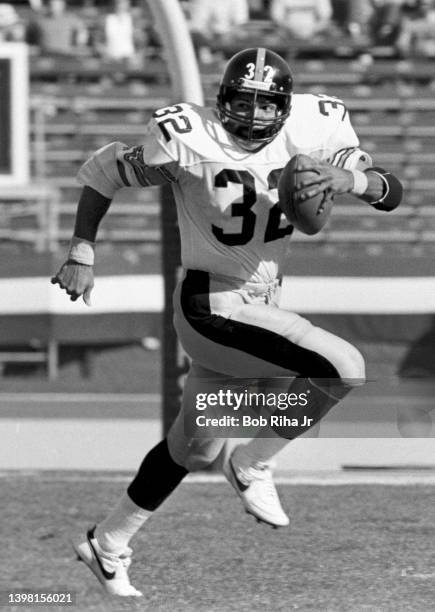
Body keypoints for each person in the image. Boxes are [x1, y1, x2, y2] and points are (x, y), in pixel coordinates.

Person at [52, 47, 403, 597]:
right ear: (223, 98)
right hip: (209, 303)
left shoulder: (319, 124)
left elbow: (389, 192)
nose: (256, 115)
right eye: (245, 101)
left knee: (194, 449)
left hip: (260, 302)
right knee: (343, 366)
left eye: (269, 105)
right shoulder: (187, 135)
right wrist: (81, 251)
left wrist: (349, 181)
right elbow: (103, 172)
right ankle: (255, 463)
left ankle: (107, 543)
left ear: (287, 107)